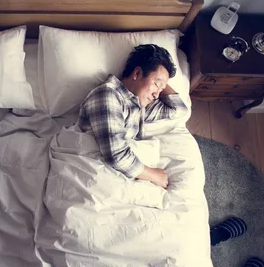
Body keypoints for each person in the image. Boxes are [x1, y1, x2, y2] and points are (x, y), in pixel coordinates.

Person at [77, 44, 188, 189]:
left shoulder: (138, 104)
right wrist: (154, 175)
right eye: (156, 84)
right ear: (136, 74)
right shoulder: (107, 95)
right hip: (91, 169)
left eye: (161, 90)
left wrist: (161, 81)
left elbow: (178, 109)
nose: (156, 95)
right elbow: (116, 156)